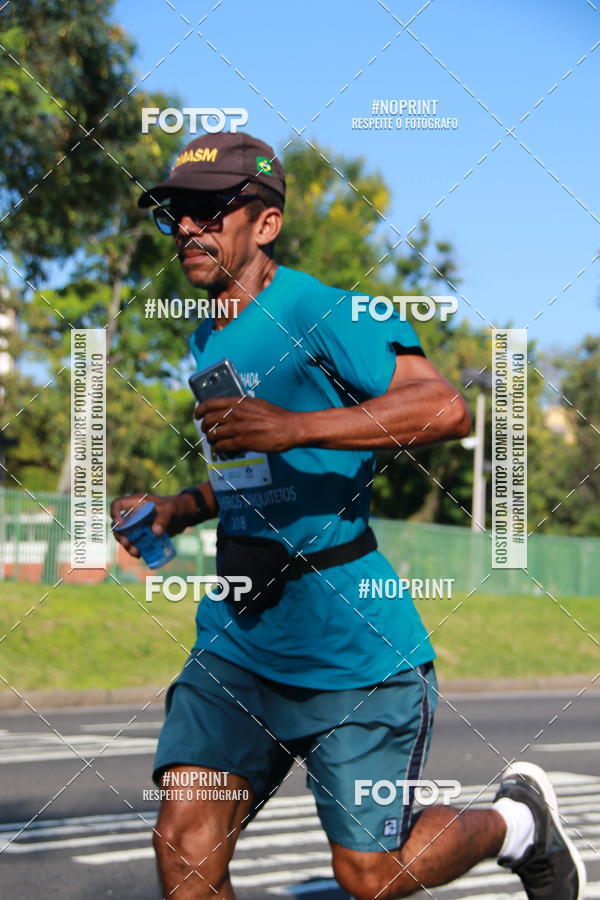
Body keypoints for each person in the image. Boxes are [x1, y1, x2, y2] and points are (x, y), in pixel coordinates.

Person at [111, 132, 586, 900]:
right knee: (185, 847)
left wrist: (292, 426)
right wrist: (180, 508)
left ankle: (519, 822)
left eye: (208, 212)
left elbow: (445, 405)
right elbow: (255, 477)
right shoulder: (207, 337)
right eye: (176, 215)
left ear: (265, 224)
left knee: (370, 874)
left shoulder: (327, 309)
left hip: (350, 650)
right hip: (239, 640)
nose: (187, 230)